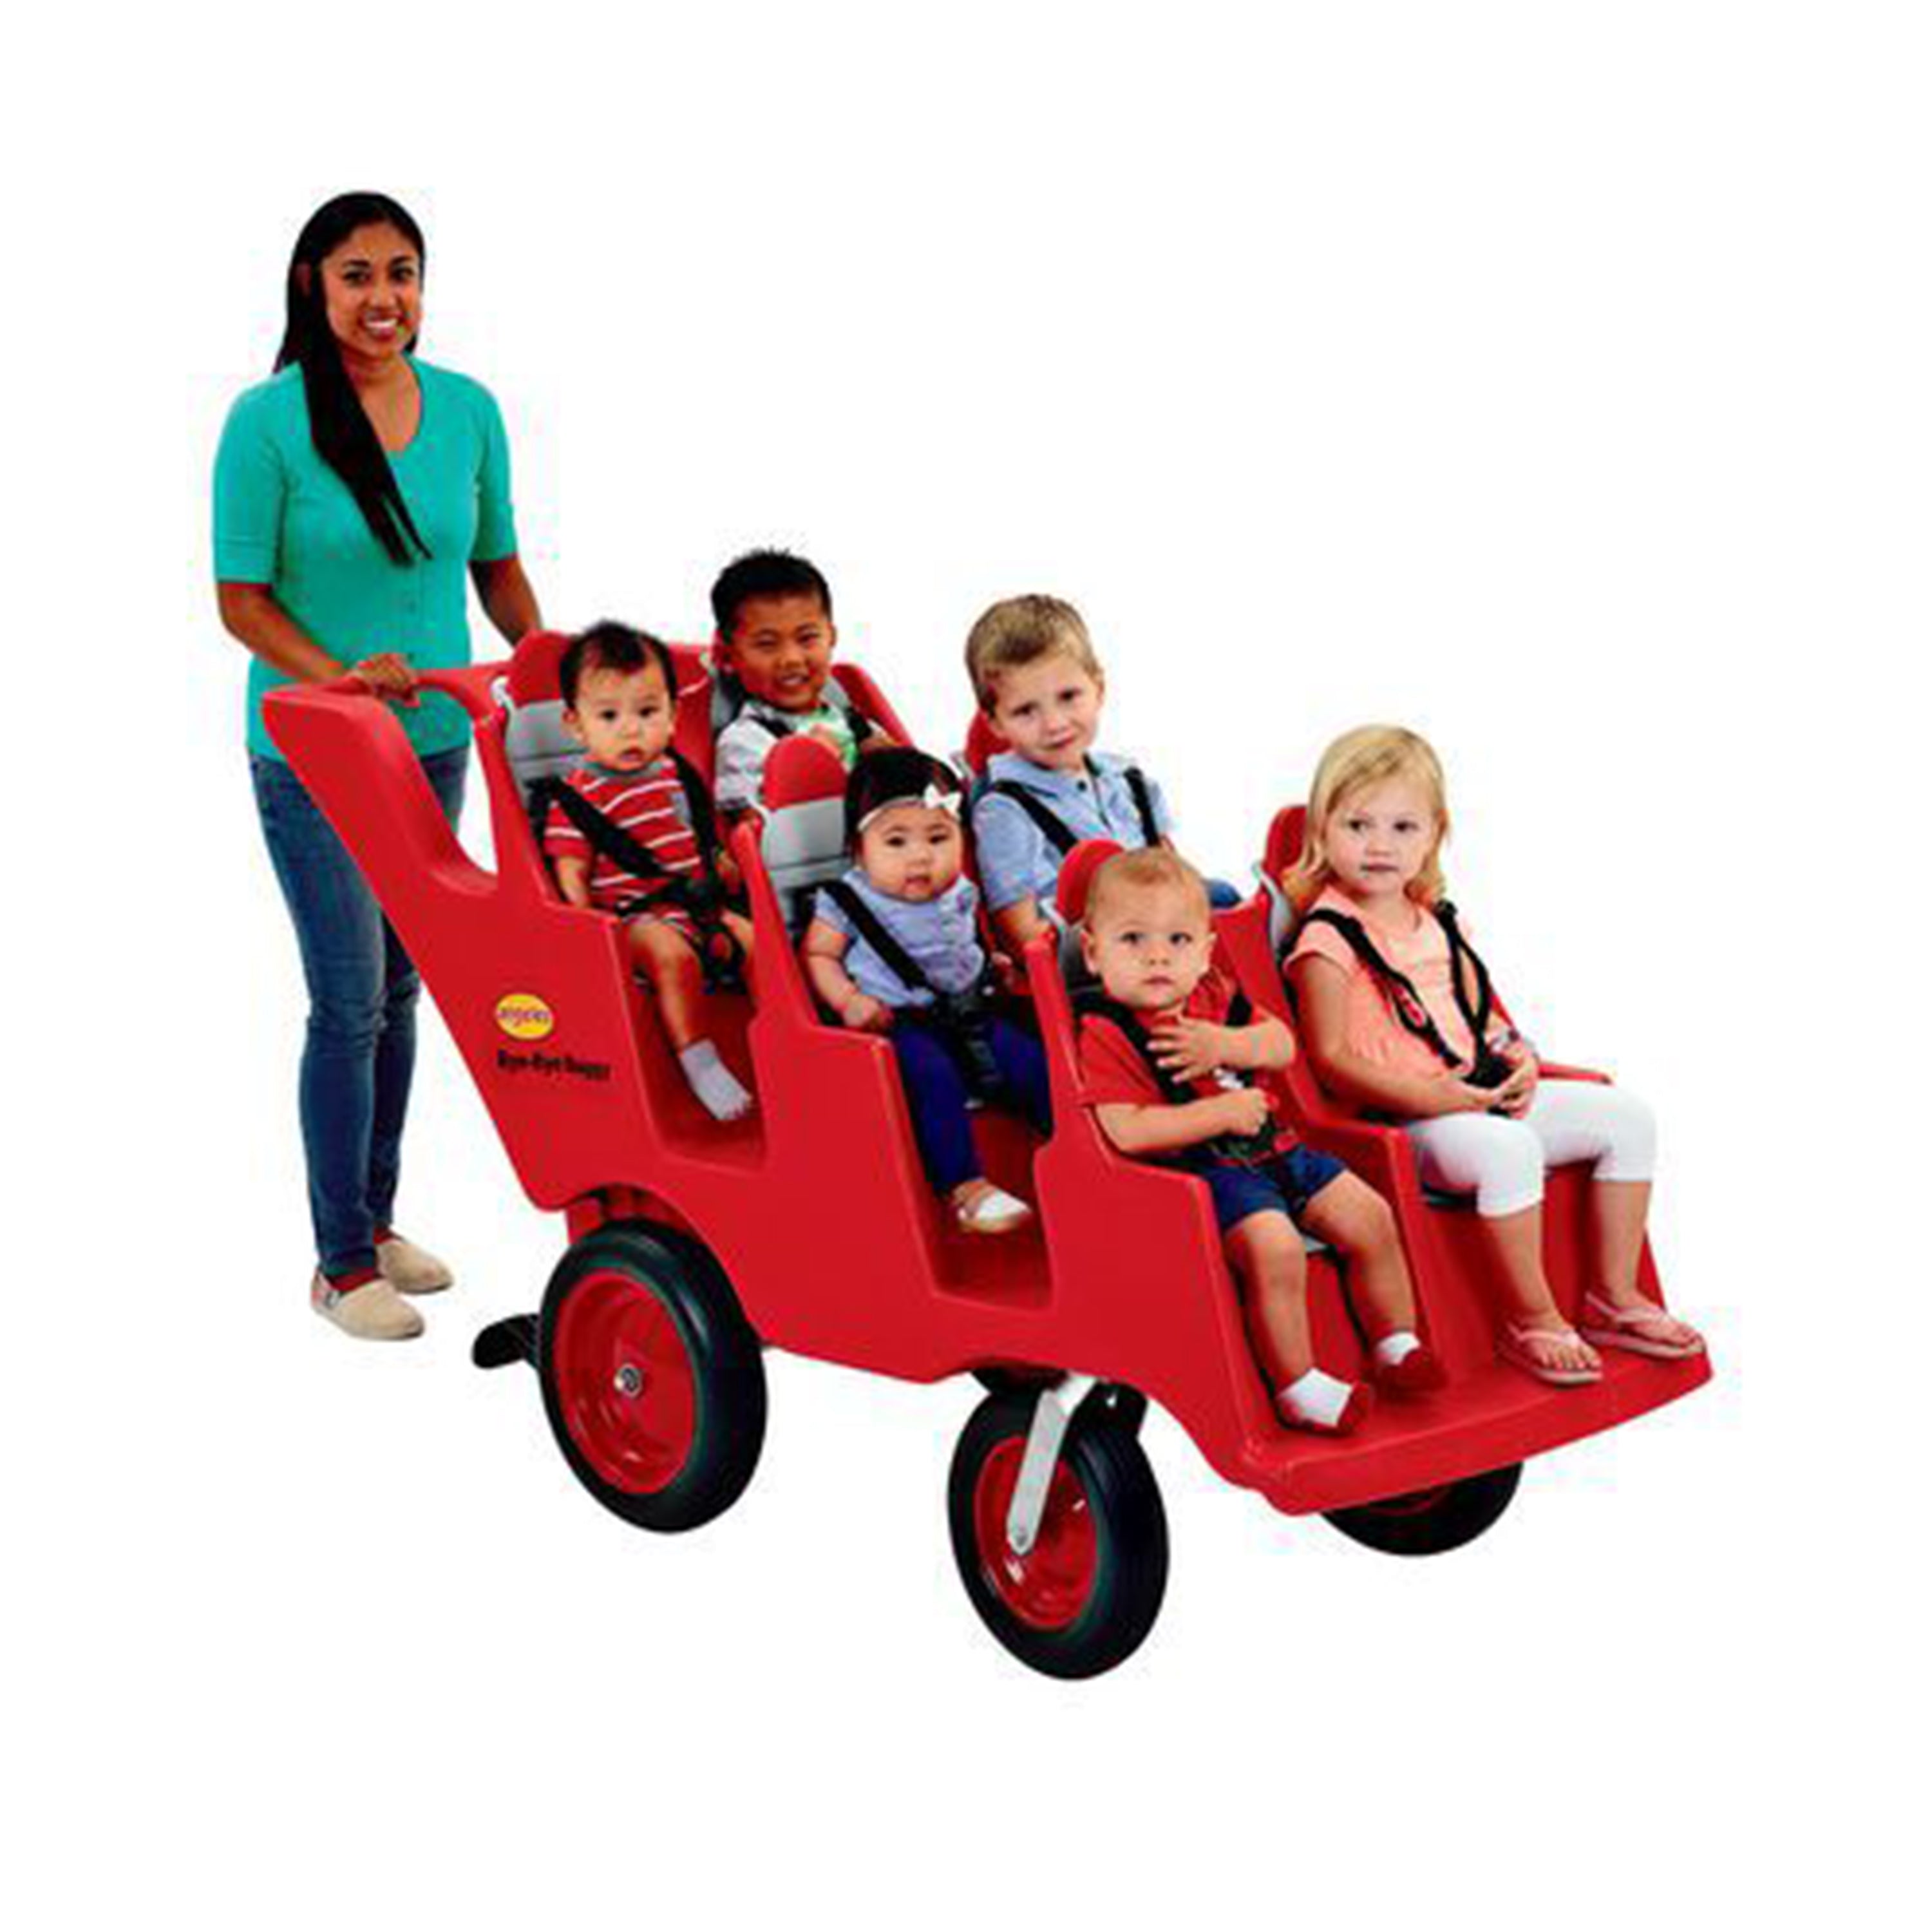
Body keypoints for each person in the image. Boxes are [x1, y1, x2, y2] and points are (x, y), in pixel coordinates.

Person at [215, 192, 542, 1341]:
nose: (384, 297)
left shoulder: (468, 410)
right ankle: (338, 1260)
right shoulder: (265, 422)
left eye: (402, 271)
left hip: (438, 742)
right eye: (358, 274)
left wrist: (547, 662)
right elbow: (239, 603)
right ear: (314, 285)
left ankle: (379, 1215)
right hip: (311, 752)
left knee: (408, 991)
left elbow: (496, 569)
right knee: (348, 1001)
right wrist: (340, 678)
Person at [1282, 724, 1705, 1387]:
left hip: (1475, 1097)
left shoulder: (1439, 921)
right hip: (1404, 1125)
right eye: (1358, 824)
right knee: (1510, 1153)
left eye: (1402, 827)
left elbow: (1490, 1021)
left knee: (1630, 1119)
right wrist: (1433, 1098)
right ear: (1323, 831)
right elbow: (1330, 1059)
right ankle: (1529, 1316)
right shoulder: (1327, 938)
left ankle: (1611, 1297)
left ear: (1434, 835)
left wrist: (1519, 1059)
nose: (1379, 845)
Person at [1076, 848, 1439, 1434]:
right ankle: (1298, 1385)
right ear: (1093, 953)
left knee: (1370, 1215)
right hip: (1203, 1176)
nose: (1157, 957)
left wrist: (1226, 1046)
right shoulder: (1106, 1029)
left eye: (1178, 941)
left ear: (1205, 952)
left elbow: (1280, 1045)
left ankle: (1396, 1344)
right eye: (1133, 940)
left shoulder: (1215, 996)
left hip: (1280, 1151)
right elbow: (1127, 1129)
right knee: (1276, 1246)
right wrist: (1219, 1114)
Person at [802, 750, 1052, 1235]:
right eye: (896, 842)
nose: (920, 857)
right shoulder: (850, 899)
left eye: (938, 838)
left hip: (967, 1013)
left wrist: (992, 965)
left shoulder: (957, 889)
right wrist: (848, 1000)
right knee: (933, 1078)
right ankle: (965, 1188)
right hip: (898, 1024)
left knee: (1032, 1061)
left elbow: (966, 941)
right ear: (860, 849)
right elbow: (819, 956)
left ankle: (1069, 1150)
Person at [540, 622, 755, 1122]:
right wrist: (582, 927)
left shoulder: (675, 773)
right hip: (633, 919)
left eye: (647, 711)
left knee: (758, 947)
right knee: (672, 960)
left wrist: (720, 862)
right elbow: (570, 869)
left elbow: (699, 836)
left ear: (674, 715)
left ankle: (785, 1042)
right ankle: (699, 1062)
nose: (631, 729)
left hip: (697, 904)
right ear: (575, 725)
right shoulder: (577, 797)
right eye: (609, 716)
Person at [963, 594, 1185, 959]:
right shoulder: (1005, 809)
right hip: (1090, 970)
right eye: (1025, 711)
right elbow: (1025, 940)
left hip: (1166, 950)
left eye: (1068, 696)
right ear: (995, 722)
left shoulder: (1130, 781)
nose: (1054, 724)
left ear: (1099, 689)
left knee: (1220, 897)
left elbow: (1179, 881)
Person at [710, 548, 890, 820]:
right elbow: (753, 831)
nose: (791, 659)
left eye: (807, 639)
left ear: (831, 636)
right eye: (767, 645)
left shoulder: (855, 722)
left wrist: (895, 765)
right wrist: (810, 771)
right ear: (729, 656)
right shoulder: (745, 742)